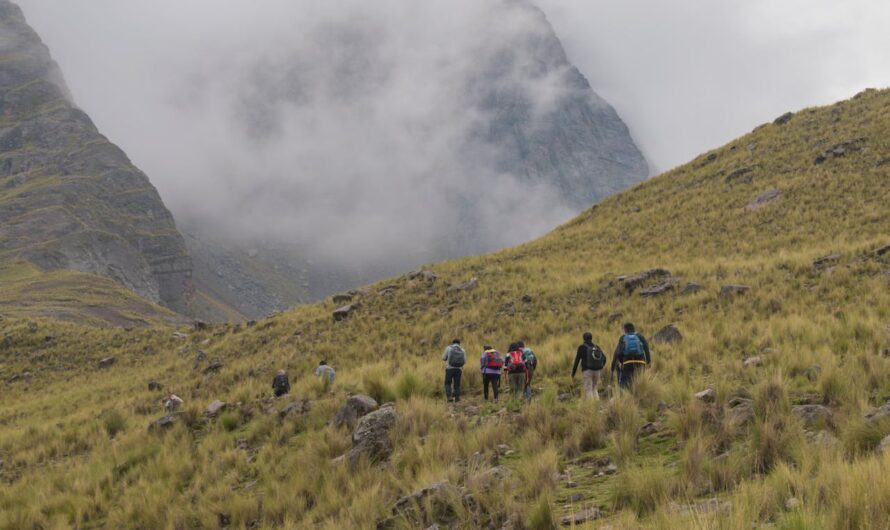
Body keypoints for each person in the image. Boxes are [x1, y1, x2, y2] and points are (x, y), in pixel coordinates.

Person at [611, 323, 651, 389]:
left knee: (625, 384)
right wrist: (648, 361)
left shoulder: (623, 337)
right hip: (640, 362)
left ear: (625, 329)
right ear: (633, 328)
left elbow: (619, 353)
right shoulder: (640, 336)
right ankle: (639, 397)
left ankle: (627, 398)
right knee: (639, 383)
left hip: (627, 362)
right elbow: (646, 348)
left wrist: (621, 362)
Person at [572, 332, 607, 399]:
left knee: (588, 389)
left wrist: (573, 374)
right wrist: (599, 367)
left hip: (587, 371)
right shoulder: (597, 347)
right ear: (591, 338)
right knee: (594, 388)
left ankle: (592, 407)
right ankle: (597, 405)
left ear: (583, 338)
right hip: (597, 371)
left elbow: (577, 361)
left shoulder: (581, 347)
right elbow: (604, 358)